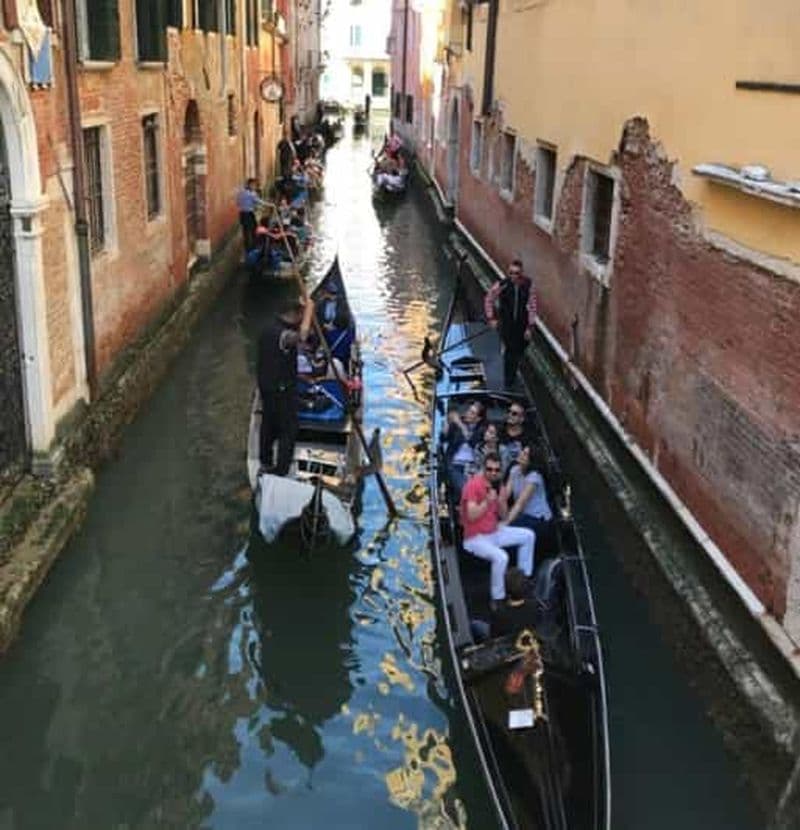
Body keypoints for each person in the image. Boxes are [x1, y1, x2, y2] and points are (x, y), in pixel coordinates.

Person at [460, 452, 535, 603]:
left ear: (500, 471)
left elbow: (505, 516)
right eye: (489, 469)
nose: (493, 473)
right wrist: (487, 502)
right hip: (474, 538)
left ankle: (522, 581)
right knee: (501, 557)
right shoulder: (473, 485)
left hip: (493, 532)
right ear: (484, 468)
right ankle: (498, 598)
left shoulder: (499, 486)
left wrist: (501, 501)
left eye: (496, 470)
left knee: (528, 535)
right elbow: (471, 515)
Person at [256, 297, 315, 476]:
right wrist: (310, 311)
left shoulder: (267, 327)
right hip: (282, 389)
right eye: (300, 315)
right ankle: (281, 471)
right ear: (295, 314)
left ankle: (265, 462)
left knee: (268, 424)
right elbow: (301, 337)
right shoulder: (284, 334)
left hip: (265, 386)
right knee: (288, 429)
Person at [484, 258, 538, 388]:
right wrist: (491, 318)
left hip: (521, 325)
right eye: (511, 273)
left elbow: (532, 307)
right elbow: (489, 299)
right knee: (510, 352)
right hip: (507, 325)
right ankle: (508, 382)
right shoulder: (502, 285)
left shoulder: (528, 286)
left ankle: (512, 374)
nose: (513, 276)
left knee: (518, 351)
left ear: (521, 274)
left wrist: (530, 327)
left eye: (517, 273)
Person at [504, 444, 556, 557]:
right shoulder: (514, 470)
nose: (521, 454)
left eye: (526, 454)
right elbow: (505, 495)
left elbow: (520, 504)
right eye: (522, 451)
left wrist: (505, 523)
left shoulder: (534, 477)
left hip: (538, 519)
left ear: (531, 460)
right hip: (523, 516)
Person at [444, 400, 484, 494]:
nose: (468, 414)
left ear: (478, 419)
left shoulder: (480, 430)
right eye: (469, 411)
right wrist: (448, 423)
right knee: (465, 489)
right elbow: (444, 438)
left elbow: (471, 442)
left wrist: (460, 424)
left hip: (473, 466)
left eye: (472, 413)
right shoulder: (457, 425)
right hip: (456, 464)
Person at [491, 567, 539, 637]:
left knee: (477, 624)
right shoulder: (534, 606)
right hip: (523, 639)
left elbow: (494, 636)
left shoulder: (499, 614)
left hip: (507, 641)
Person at [499, 401, 532, 469]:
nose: (510, 415)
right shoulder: (499, 431)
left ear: (521, 419)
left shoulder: (527, 438)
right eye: (509, 411)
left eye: (514, 413)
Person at [236, 178, 264, 254]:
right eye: (254, 185)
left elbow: (237, 203)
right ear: (250, 185)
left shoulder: (241, 193)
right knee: (253, 230)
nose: (255, 187)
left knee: (245, 231)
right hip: (249, 214)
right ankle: (253, 247)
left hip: (242, 214)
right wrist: (270, 205)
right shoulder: (251, 194)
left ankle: (247, 249)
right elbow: (259, 201)